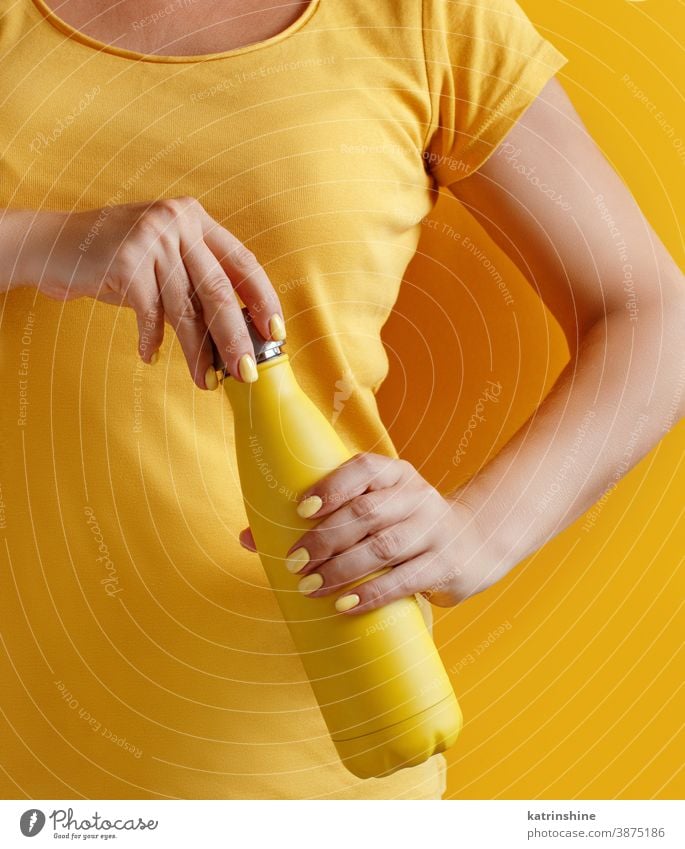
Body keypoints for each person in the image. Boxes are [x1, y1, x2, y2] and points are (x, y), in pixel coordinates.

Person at [0, 0, 682, 801]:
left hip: (308, 746)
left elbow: (652, 314)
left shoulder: (427, 19)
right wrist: (37, 242)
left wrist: (479, 532)